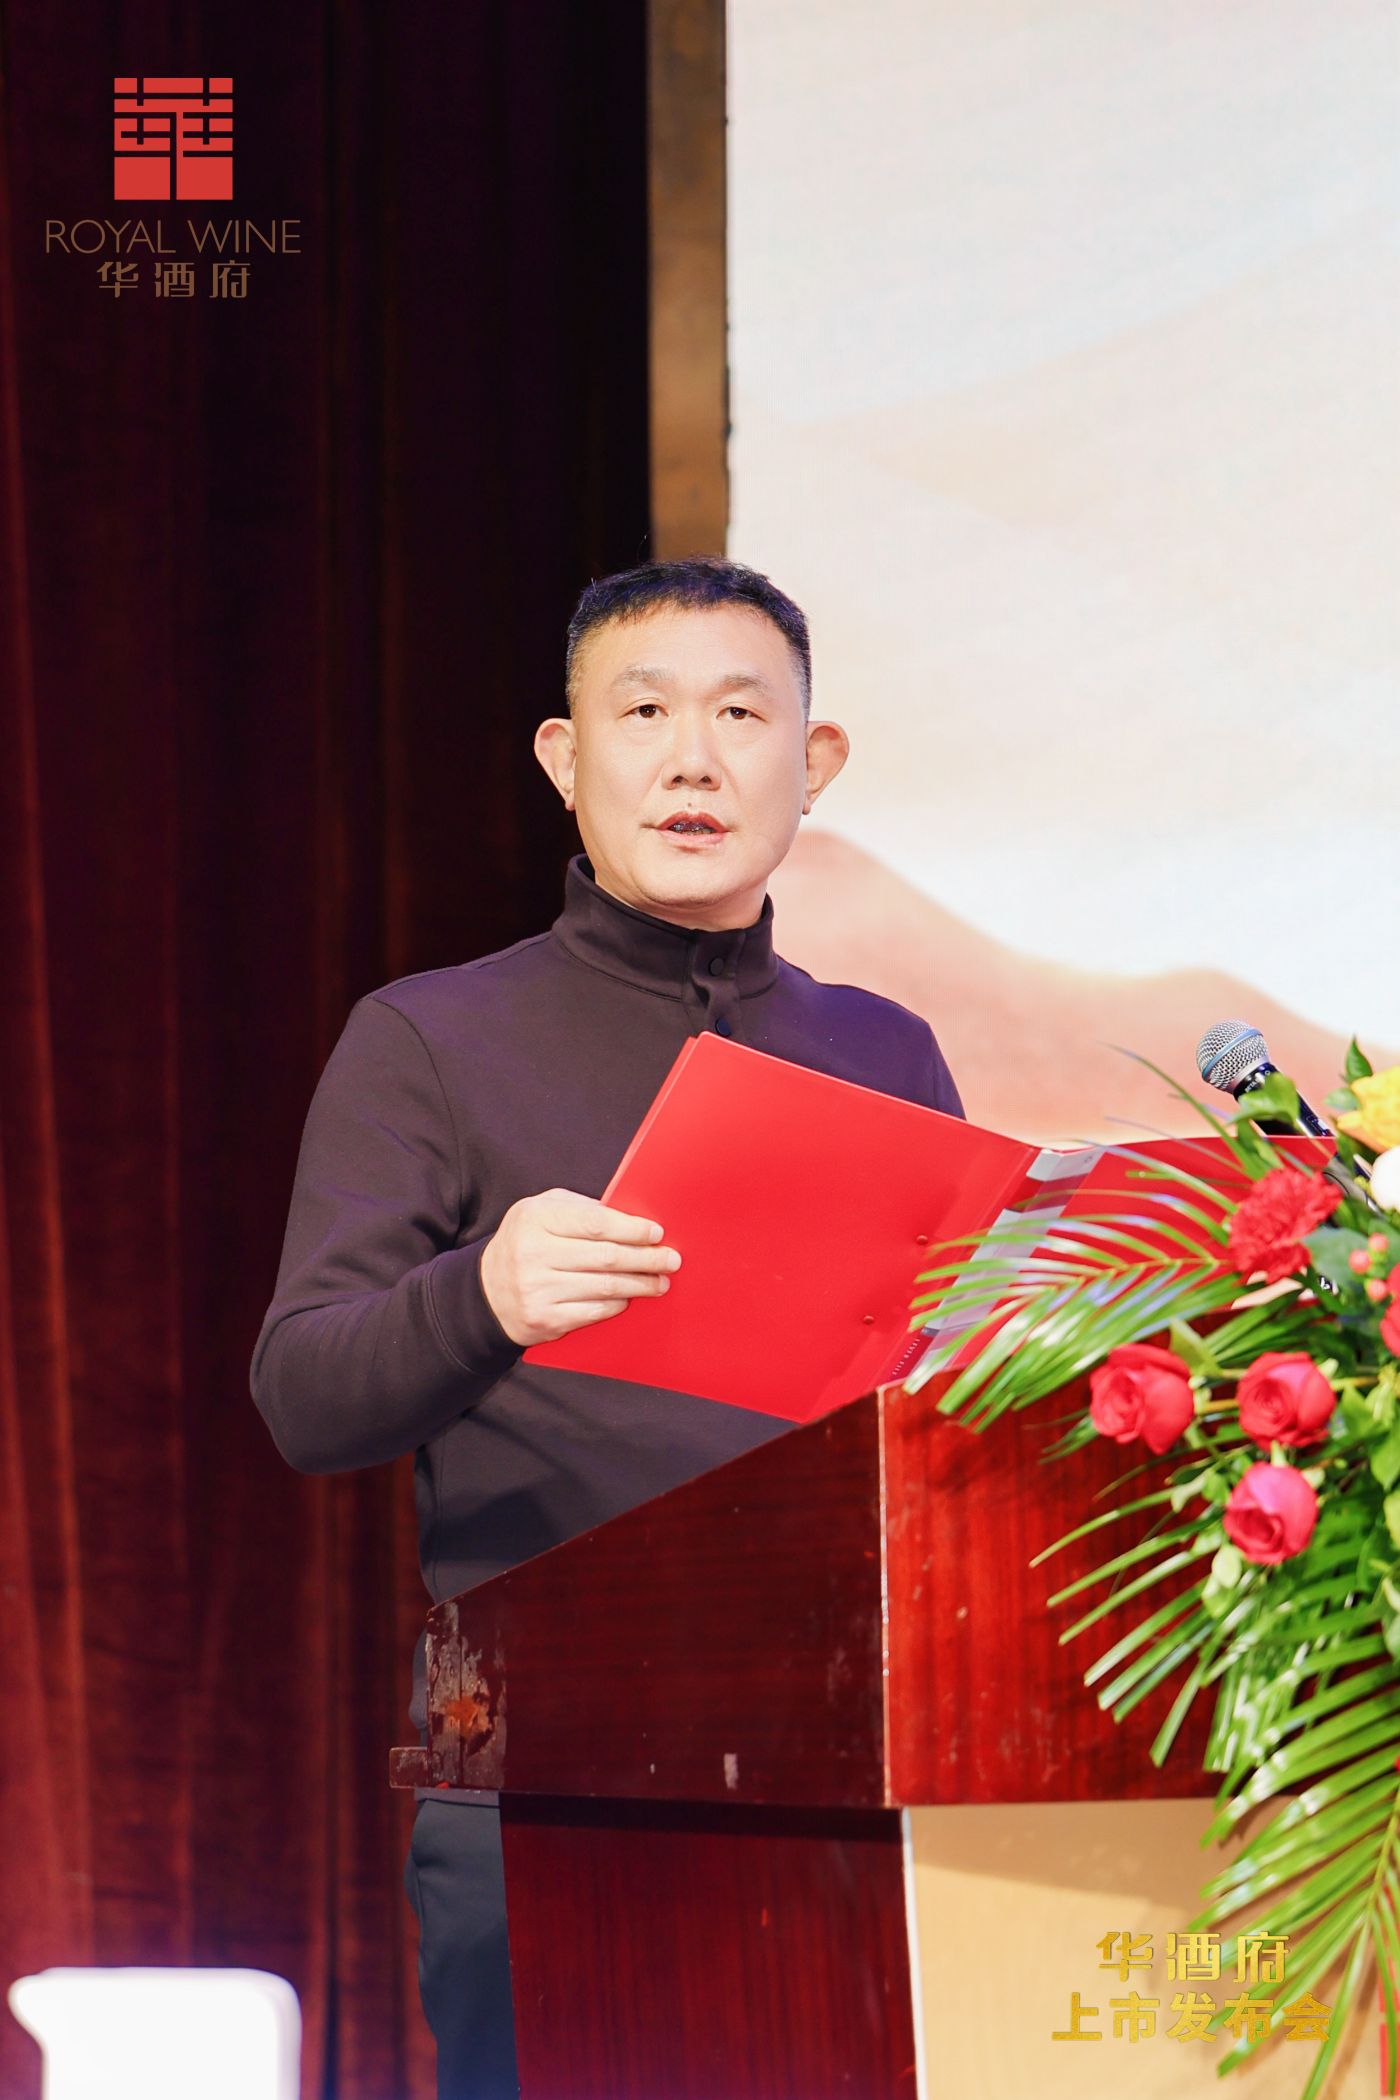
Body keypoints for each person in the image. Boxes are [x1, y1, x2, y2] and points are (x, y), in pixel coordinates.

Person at [249, 555, 963, 2100]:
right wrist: (483, 1295)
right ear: (566, 759)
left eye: (741, 716)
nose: (693, 758)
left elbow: (932, 1396)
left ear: (816, 761)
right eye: (643, 714)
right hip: (532, 1771)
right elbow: (302, 1389)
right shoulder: (429, 1038)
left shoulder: (887, 1053)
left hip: (841, 1764)